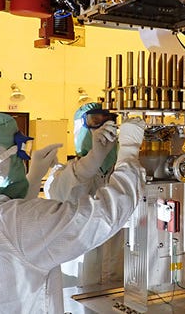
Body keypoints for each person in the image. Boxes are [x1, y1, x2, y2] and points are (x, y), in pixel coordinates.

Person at [0, 111, 146, 314]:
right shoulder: (12, 220)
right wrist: (128, 151)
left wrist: (34, 178)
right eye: (18, 153)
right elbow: (104, 215)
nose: (21, 160)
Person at [43, 102, 125, 287]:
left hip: (119, 281)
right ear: (80, 129)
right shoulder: (61, 175)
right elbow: (70, 192)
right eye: (95, 121)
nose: (104, 128)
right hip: (77, 282)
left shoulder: (120, 176)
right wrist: (94, 157)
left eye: (110, 121)